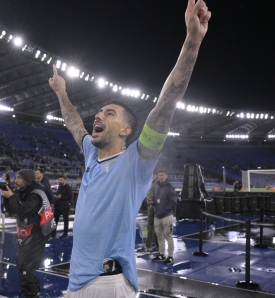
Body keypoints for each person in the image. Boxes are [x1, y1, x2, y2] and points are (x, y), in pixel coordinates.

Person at [48, 0, 211, 295]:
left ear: (126, 130)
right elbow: (74, 123)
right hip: (75, 283)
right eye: (99, 112)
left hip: (109, 284)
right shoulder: (90, 154)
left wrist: (192, 42)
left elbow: (166, 104)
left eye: (109, 113)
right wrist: (61, 92)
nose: (98, 115)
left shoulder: (137, 160)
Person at [2, 169, 51, 298]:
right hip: (28, 231)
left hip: (38, 232)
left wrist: (11, 197)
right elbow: (13, 210)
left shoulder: (36, 193)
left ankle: (31, 292)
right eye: (15, 177)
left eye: (18, 178)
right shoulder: (23, 191)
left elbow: (23, 211)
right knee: (21, 261)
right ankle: (31, 286)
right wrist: (6, 198)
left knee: (26, 264)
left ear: (27, 180)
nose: (15, 180)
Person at [150, 170, 177, 265]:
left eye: (163, 175)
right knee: (159, 236)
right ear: (158, 176)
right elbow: (155, 199)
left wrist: (164, 210)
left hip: (166, 216)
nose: (161, 177)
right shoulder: (156, 187)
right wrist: (152, 202)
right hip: (157, 215)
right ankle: (162, 254)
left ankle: (170, 256)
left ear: (166, 176)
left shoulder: (170, 187)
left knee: (168, 236)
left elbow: (173, 202)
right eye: (160, 175)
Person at [136, 173, 159, 253]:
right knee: (152, 227)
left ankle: (152, 246)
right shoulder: (152, 182)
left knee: (154, 227)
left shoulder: (157, 183)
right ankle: (151, 246)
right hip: (151, 206)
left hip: (155, 207)